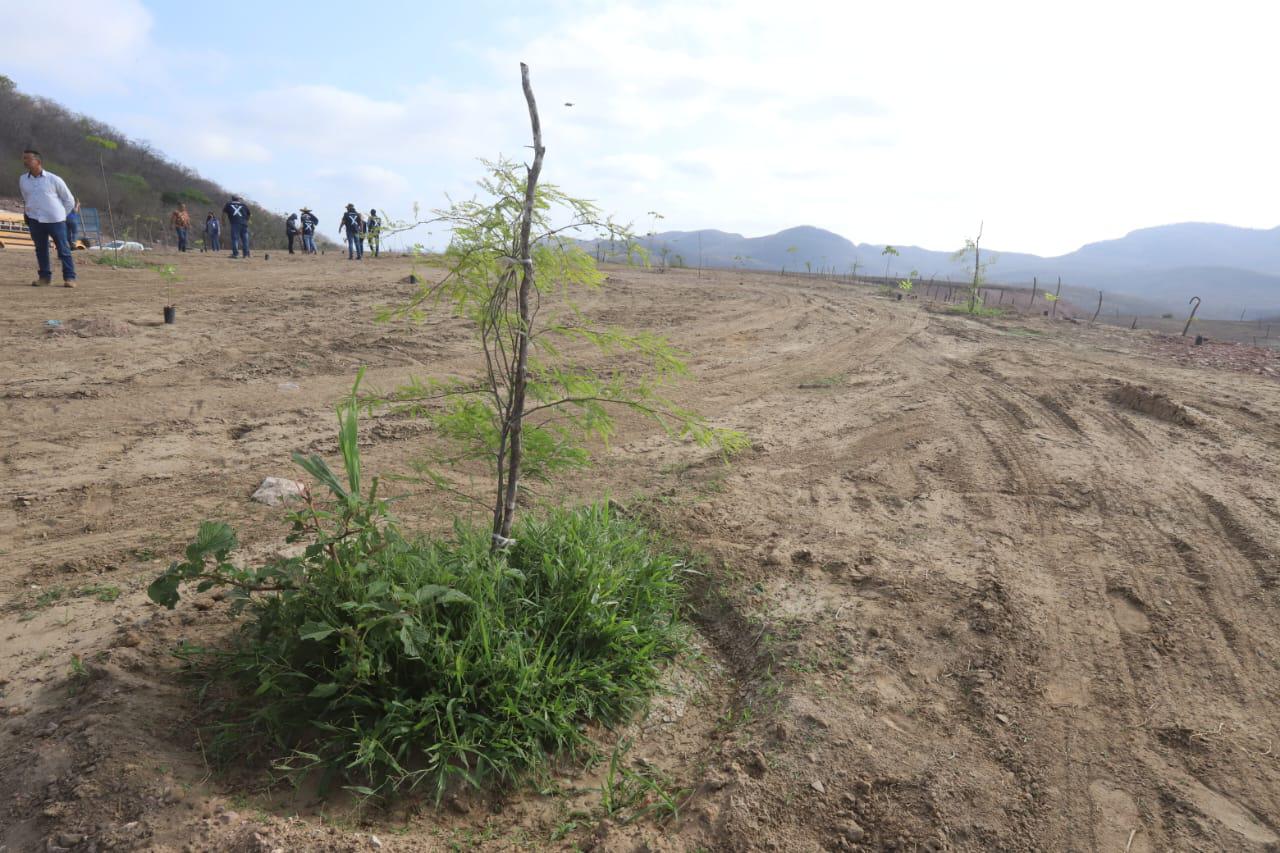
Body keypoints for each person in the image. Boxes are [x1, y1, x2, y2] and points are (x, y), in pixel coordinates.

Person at [18, 148, 77, 287]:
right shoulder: (22, 180)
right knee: (41, 249)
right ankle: (44, 278)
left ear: (37, 161)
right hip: (35, 220)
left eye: (28, 158)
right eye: (24, 158)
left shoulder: (54, 179)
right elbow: (26, 198)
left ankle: (70, 278)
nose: (24, 161)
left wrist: (62, 215)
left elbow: (69, 200)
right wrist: (28, 213)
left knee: (63, 249)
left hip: (55, 220)